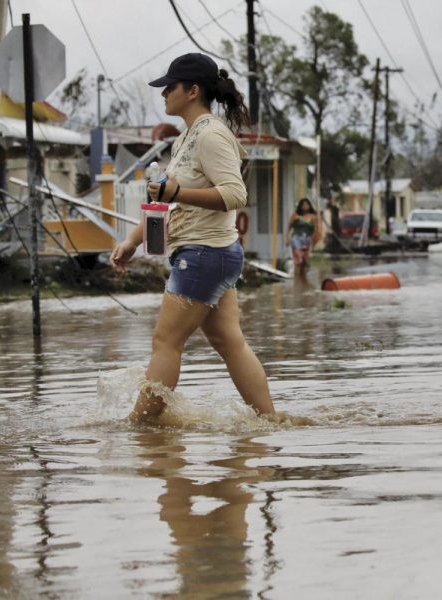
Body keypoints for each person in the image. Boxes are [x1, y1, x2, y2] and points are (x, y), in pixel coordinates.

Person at [110, 53, 275, 423]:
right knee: (229, 342)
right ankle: (271, 423)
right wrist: (132, 242)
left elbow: (234, 194)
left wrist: (176, 193)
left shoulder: (212, 134)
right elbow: (166, 202)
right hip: (211, 253)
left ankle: (142, 428)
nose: (164, 93)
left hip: (204, 253)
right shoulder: (186, 137)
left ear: (193, 90)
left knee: (165, 342)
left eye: (170, 86)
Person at [285, 198, 320, 269]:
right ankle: (297, 275)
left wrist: (314, 241)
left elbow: (316, 230)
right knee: (298, 258)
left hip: (307, 239)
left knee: (305, 259)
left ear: (309, 206)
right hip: (296, 238)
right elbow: (289, 227)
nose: (305, 206)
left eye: (306, 204)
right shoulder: (295, 215)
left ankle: (303, 275)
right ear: (300, 206)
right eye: (303, 204)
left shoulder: (313, 217)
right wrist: (288, 238)